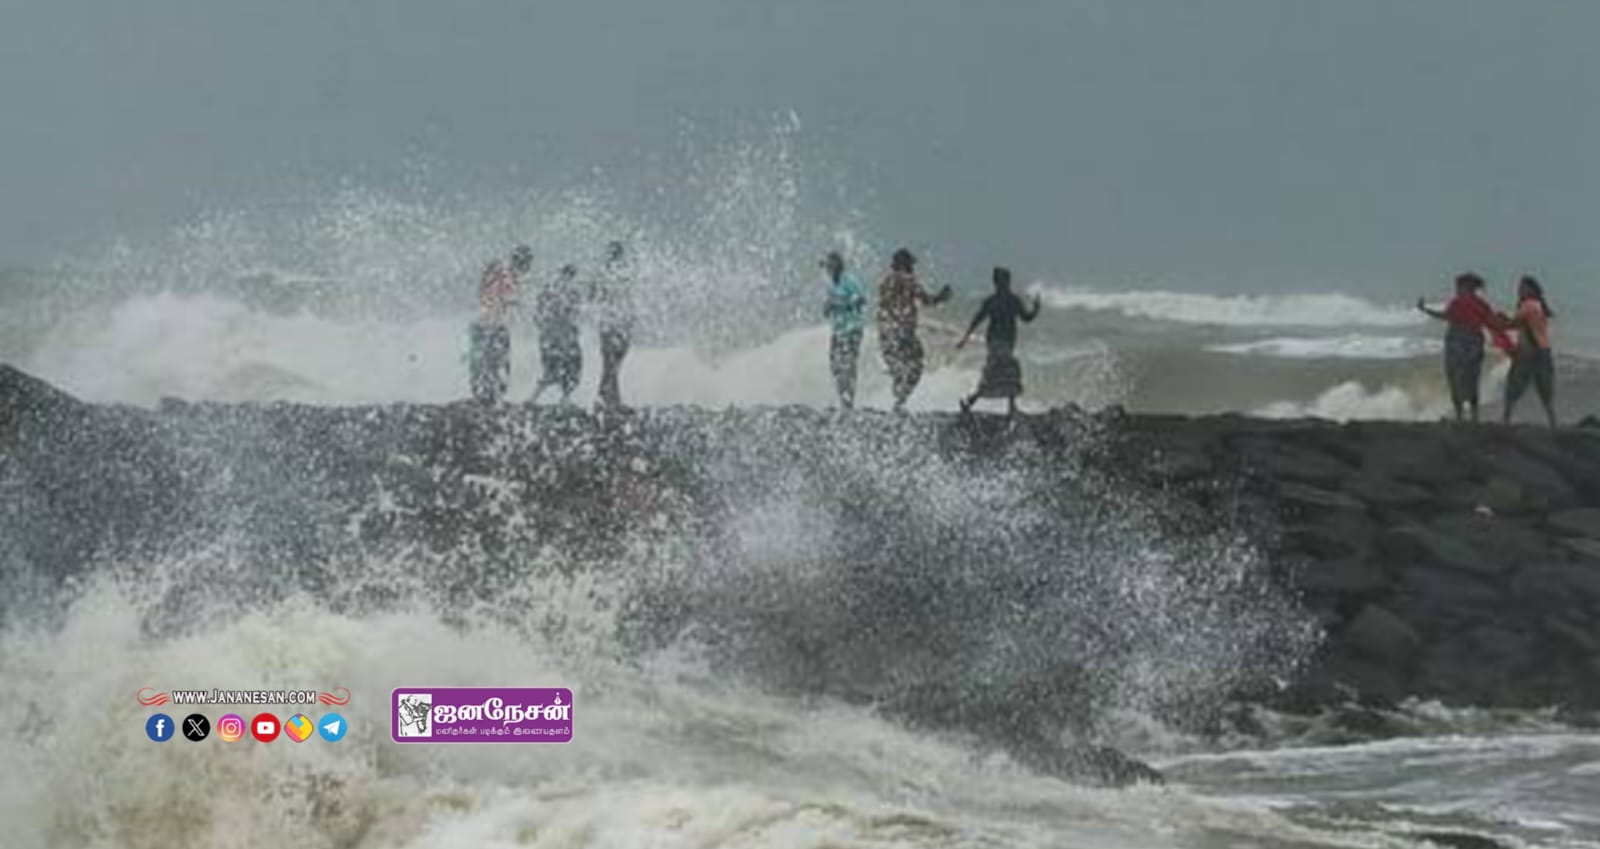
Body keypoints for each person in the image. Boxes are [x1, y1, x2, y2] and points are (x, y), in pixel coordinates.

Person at [1416, 272, 1513, 422]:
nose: (1456, 289)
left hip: (1456, 344)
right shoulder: (1481, 305)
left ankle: (1460, 415)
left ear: (1465, 287)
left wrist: (1425, 310)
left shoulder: (1458, 302)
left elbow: (1445, 316)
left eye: (1458, 286)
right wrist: (1507, 323)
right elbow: (1492, 324)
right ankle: (1474, 416)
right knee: (1472, 380)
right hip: (1474, 345)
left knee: (1454, 379)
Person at [957, 267, 1041, 416]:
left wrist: (1035, 309)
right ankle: (978, 402)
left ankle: (973, 401)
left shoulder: (1005, 300)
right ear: (997, 283)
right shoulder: (999, 301)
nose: (1006, 284)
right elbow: (977, 320)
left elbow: (1026, 318)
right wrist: (965, 338)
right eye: (1004, 281)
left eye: (1007, 281)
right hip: (996, 342)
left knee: (998, 372)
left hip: (1006, 342)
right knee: (1005, 371)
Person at [876, 248, 952, 411]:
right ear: (906, 264)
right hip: (904, 332)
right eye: (911, 264)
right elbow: (926, 300)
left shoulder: (884, 282)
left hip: (885, 333)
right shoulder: (909, 280)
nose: (913, 268)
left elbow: (884, 307)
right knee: (916, 366)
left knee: (898, 366)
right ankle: (900, 401)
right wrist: (942, 297)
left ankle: (898, 389)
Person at [467, 245, 531, 404]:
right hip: (491, 326)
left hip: (481, 324)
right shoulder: (505, 275)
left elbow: (485, 294)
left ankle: (484, 396)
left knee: (484, 364)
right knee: (496, 364)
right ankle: (492, 398)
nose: (527, 269)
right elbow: (502, 298)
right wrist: (514, 304)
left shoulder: (498, 272)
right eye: (527, 264)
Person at [1501, 275, 1557, 428]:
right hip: (1544, 351)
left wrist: (1497, 321)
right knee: (1545, 390)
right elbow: (1521, 324)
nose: (1519, 290)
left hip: (1528, 353)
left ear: (1531, 289)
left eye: (1523, 287)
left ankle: (1505, 421)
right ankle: (1553, 423)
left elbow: (1513, 324)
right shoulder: (1539, 305)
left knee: (1513, 387)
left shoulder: (1528, 305)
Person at [530, 264, 585, 404]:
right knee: (569, 369)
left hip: (551, 338)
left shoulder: (549, 288)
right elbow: (572, 314)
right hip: (561, 338)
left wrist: (543, 328)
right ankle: (562, 399)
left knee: (552, 370)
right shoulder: (570, 292)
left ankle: (535, 398)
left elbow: (537, 314)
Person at [592, 241, 636, 408]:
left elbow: (593, 296)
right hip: (622, 323)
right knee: (615, 363)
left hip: (607, 324)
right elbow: (629, 298)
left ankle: (606, 397)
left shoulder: (601, 273)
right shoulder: (625, 272)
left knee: (608, 363)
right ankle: (609, 398)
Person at [822, 251, 867, 408]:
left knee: (850, 363)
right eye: (827, 265)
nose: (828, 268)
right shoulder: (830, 284)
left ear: (838, 266)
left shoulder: (849, 281)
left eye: (830, 265)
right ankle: (843, 396)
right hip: (838, 330)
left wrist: (844, 303)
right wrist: (827, 308)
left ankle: (850, 400)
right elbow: (827, 309)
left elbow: (861, 299)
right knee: (835, 364)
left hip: (853, 329)